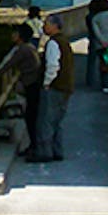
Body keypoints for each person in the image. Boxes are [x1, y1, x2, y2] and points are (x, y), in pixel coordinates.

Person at [0, 23, 41, 156]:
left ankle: (34, 146)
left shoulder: (22, 50)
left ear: (20, 36)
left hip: (32, 85)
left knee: (31, 117)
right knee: (31, 116)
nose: (12, 35)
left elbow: (7, 65)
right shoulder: (29, 48)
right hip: (33, 84)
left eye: (15, 33)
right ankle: (34, 145)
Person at [28, 14, 74, 163]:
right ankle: (56, 150)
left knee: (45, 120)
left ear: (55, 26)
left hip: (55, 86)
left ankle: (44, 151)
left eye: (47, 24)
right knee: (57, 121)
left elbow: (53, 65)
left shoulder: (53, 43)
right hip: (66, 86)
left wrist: (47, 82)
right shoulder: (64, 42)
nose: (44, 26)